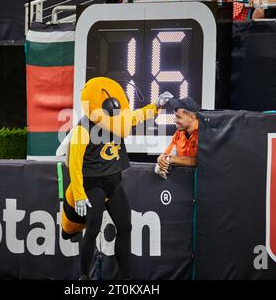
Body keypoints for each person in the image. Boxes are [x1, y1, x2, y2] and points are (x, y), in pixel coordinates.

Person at [60, 77, 173, 280]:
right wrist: (78, 194)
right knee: (92, 228)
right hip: (92, 183)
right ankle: (84, 276)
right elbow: (74, 165)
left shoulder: (118, 120)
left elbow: (137, 116)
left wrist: (156, 106)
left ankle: (125, 277)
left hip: (113, 181)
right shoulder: (83, 129)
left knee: (125, 226)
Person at [156, 97, 199, 177]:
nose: (174, 120)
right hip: (184, 181)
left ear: (191, 117)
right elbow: (166, 155)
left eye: (178, 117)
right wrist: (161, 159)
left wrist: (172, 159)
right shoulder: (179, 133)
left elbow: (202, 161)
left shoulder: (205, 133)